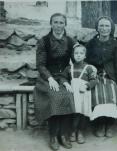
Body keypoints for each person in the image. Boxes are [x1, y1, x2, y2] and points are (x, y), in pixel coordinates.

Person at [33, 13, 75, 150]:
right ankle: (53, 135)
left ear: (65, 24)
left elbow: (75, 61)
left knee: (69, 96)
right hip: (47, 78)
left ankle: (63, 134)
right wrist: (50, 78)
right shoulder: (44, 41)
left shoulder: (70, 41)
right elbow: (40, 65)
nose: (58, 25)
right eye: (55, 22)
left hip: (63, 77)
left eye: (61, 22)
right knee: (54, 97)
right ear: (51, 24)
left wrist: (65, 79)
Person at [86, 16, 117, 138]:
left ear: (111, 28)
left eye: (107, 26)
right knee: (98, 93)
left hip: (110, 77)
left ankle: (109, 124)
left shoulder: (115, 45)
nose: (104, 28)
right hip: (94, 76)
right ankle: (100, 124)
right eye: (101, 25)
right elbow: (85, 61)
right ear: (97, 28)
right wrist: (91, 72)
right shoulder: (91, 44)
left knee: (111, 93)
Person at [61, 44, 98, 144]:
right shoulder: (69, 68)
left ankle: (80, 132)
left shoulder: (88, 68)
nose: (78, 55)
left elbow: (94, 80)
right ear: (73, 55)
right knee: (74, 113)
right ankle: (73, 131)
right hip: (73, 95)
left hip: (84, 95)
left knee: (82, 114)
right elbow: (62, 77)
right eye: (76, 53)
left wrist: (86, 86)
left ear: (85, 55)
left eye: (81, 53)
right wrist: (66, 84)